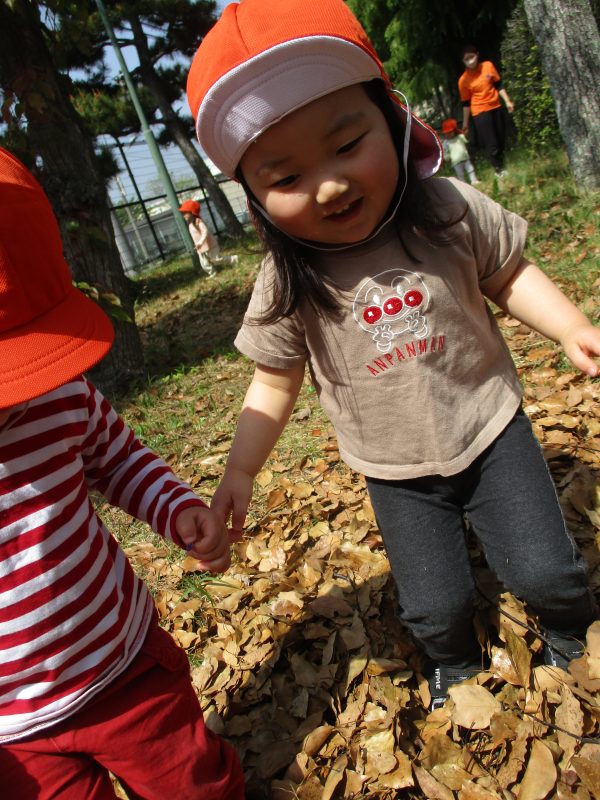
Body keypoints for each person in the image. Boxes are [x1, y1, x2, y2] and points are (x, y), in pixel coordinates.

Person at [186, 0, 600, 707]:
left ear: (393, 121)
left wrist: (567, 326)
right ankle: (453, 664)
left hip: (490, 428)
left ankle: (572, 630)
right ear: (253, 198)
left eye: (348, 144)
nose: (330, 183)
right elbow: (273, 380)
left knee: (544, 571)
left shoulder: (446, 211)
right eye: (286, 178)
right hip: (395, 469)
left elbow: (508, 273)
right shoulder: (289, 278)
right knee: (434, 603)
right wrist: (242, 468)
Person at [0, 147, 244, 799]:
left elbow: (117, 458)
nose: (20, 393)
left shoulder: (57, 396)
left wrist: (177, 509)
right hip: (13, 733)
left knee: (197, 787)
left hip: (122, 669)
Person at [458, 45, 514, 177]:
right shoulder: (463, 81)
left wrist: (507, 101)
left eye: (472, 57)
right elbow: (466, 104)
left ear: (477, 55)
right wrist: (465, 124)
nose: (470, 60)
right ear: (463, 61)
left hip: (496, 106)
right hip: (480, 112)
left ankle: (501, 163)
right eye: (467, 59)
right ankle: (498, 169)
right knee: (491, 141)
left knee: (501, 137)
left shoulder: (488, 66)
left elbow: (498, 85)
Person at [178, 198, 239, 277]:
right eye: (183, 213)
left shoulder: (198, 222)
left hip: (210, 245)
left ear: (192, 212)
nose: (184, 215)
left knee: (216, 260)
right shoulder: (190, 225)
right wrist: (198, 244)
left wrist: (200, 242)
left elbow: (205, 232)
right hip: (200, 248)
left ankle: (233, 259)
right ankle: (212, 273)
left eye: (185, 213)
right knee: (204, 264)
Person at [441, 118, 478, 185]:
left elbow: (466, 140)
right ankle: (464, 185)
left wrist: (466, 134)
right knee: (460, 174)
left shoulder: (460, 137)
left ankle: (474, 180)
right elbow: (445, 152)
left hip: (465, 158)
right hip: (456, 162)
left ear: (454, 131)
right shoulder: (446, 142)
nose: (448, 134)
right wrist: (447, 158)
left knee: (470, 169)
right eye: (446, 133)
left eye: (450, 132)